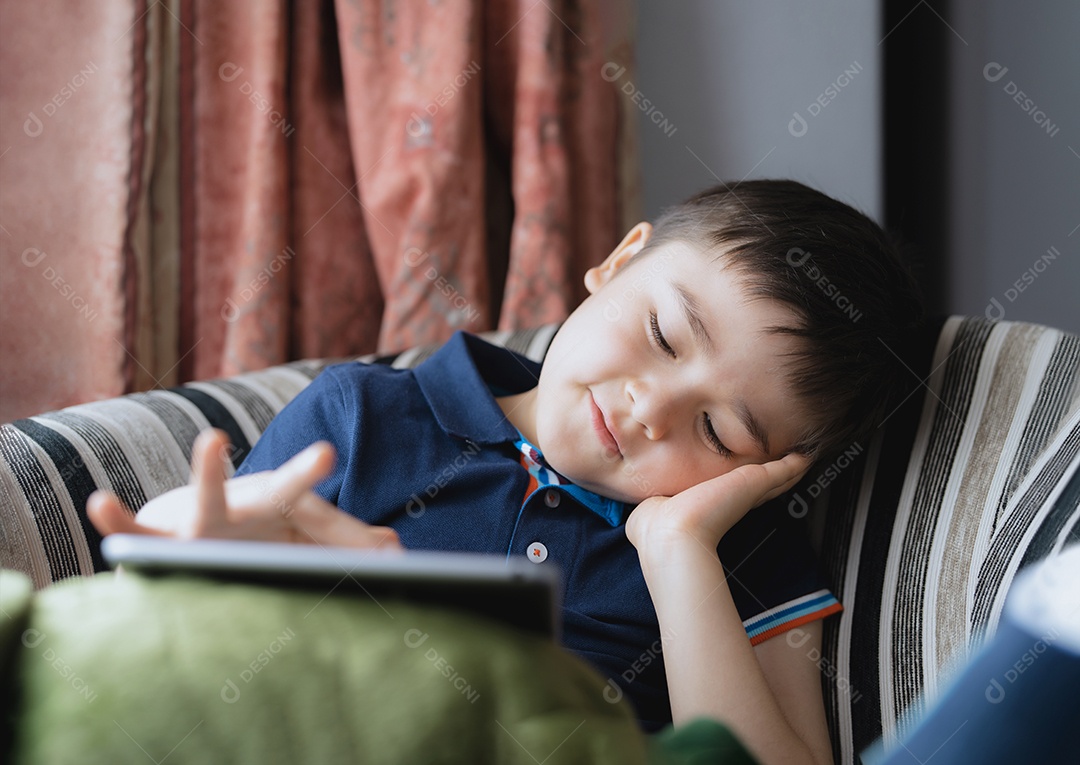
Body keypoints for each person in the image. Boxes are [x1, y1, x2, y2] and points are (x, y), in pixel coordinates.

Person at [89, 180, 923, 765]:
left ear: (773, 469)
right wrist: (191, 539)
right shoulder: (366, 417)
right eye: (666, 334)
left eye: (718, 428)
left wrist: (678, 556)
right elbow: (185, 592)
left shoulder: (738, 552)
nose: (647, 407)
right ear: (620, 260)